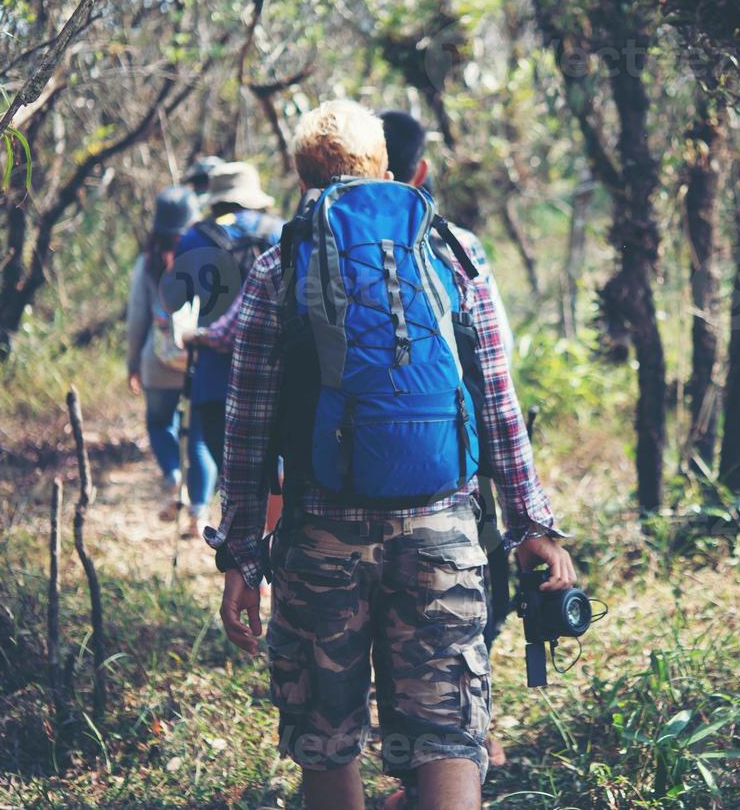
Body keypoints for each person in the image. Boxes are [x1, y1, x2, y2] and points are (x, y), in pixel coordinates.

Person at [208, 100, 574, 810]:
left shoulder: (278, 263)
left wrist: (242, 558)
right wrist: (530, 526)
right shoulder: (454, 251)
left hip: (319, 540)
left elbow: (246, 431)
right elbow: (496, 401)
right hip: (442, 530)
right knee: (448, 739)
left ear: (301, 174)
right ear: (385, 168)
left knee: (327, 740)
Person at [380, 109, 516, 769]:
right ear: (421, 171)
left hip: (332, 498)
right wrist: (529, 514)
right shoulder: (456, 246)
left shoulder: (300, 249)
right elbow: (495, 373)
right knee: (450, 632)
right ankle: (463, 739)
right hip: (446, 488)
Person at [166, 162, 284, 535]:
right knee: (279, 474)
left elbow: (175, 301)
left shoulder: (192, 239)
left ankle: (246, 564)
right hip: (277, 376)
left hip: (215, 379)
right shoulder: (282, 233)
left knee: (234, 481)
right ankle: (274, 549)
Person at [125, 186, 217, 518]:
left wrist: (132, 364)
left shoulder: (147, 262)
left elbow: (137, 317)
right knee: (200, 437)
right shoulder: (205, 255)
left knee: (160, 423)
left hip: (159, 361)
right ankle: (200, 510)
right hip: (198, 358)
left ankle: (174, 477)